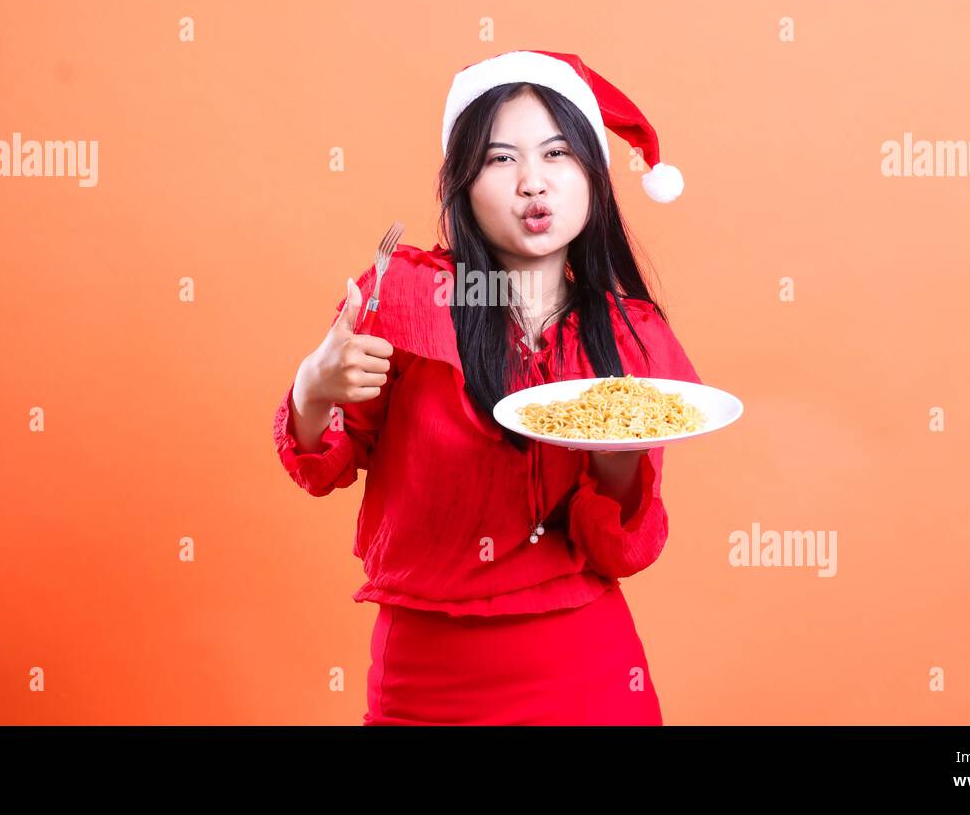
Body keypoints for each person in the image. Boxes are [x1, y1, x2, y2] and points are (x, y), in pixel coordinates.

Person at [273, 49, 701, 725]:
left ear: (593, 174)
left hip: (585, 671)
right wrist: (312, 389)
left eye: (557, 153)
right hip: (426, 676)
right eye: (502, 159)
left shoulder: (629, 337)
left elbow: (620, 549)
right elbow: (323, 467)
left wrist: (618, 463)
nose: (534, 182)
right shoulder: (404, 296)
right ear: (461, 183)